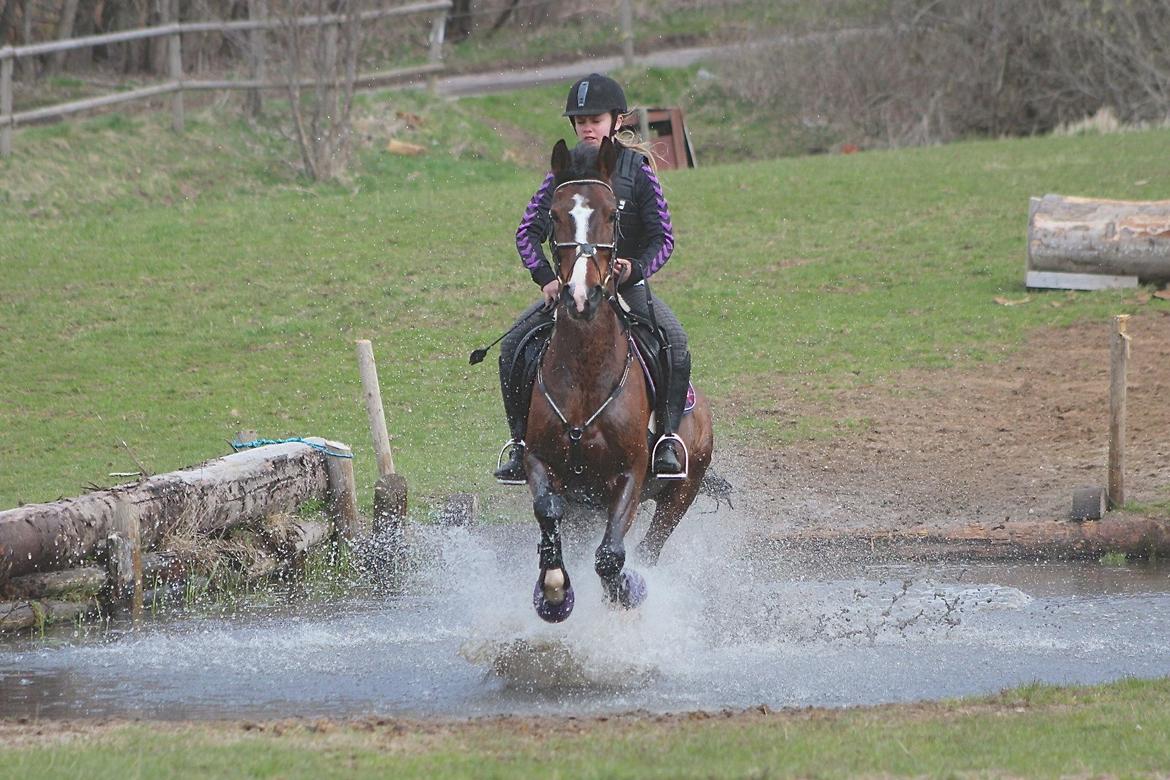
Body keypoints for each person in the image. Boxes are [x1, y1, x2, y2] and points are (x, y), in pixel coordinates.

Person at [494, 72, 691, 484]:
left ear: (617, 121)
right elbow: (526, 232)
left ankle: (668, 439)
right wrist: (546, 278)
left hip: (624, 287)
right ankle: (519, 444)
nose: (586, 126)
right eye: (579, 120)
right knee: (513, 344)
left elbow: (664, 237)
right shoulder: (561, 174)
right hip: (569, 289)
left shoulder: (636, 169)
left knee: (674, 339)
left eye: (595, 118)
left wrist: (634, 270)